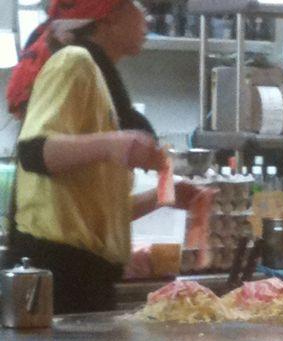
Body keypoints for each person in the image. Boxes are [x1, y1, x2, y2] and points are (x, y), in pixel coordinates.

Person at [6, 0, 213, 314]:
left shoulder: (101, 81)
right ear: (107, 16)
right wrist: (113, 144)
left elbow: (93, 210)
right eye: (137, 5)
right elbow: (33, 152)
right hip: (55, 270)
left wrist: (162, 198)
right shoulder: (74, 61)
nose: (146, 16)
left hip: (86, 272)